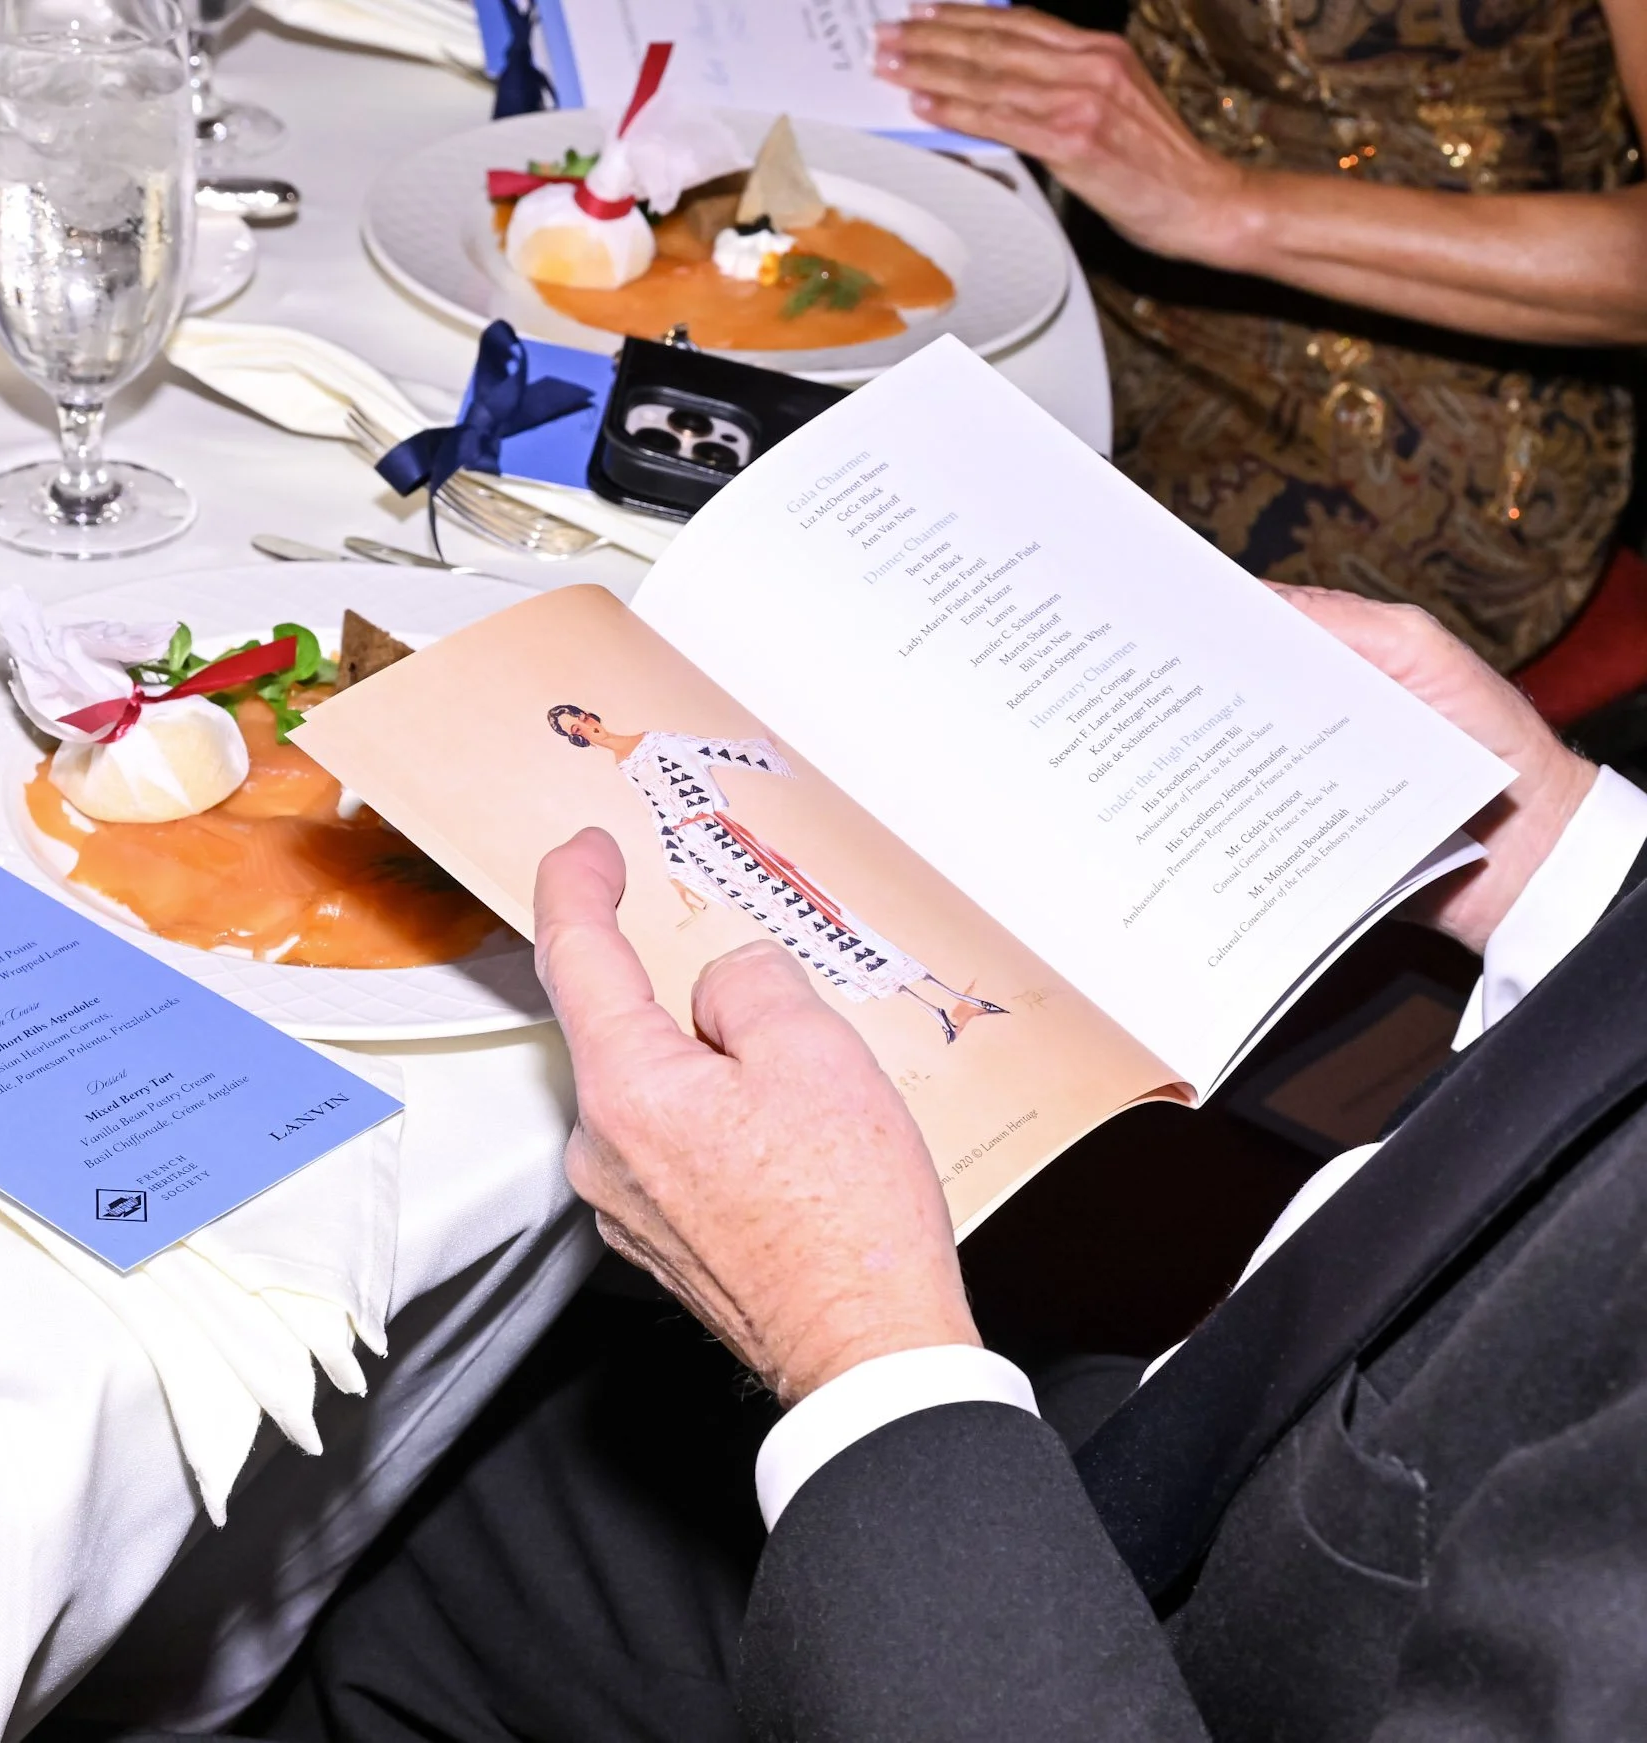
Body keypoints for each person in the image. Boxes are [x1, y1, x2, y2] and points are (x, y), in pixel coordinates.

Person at [237, 585, 1647, 1741]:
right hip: (1216, 1432)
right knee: (493, 1492)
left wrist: (854, 1337)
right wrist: (1569, 851)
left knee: (453, 1557)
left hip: (1135, 1666)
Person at [873, 3, 1647, 671]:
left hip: (1414, 437)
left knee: (1012, 653)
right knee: (856, 517)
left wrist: (1228, 207)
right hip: (1117, 284)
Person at [545, 704, 1006, 1042]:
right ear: (578, 740)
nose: (586, 728)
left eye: (581, 718)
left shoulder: (658, 742)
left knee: (822, 912)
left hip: (728, 839)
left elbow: (721, 752)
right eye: (575, 730)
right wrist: (679, 872)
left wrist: (772, 747)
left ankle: (949, 996)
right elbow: (660, 818)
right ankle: (937, 1014)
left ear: (592, 715)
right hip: (708, 855)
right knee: (800, 931)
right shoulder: (624, 767)